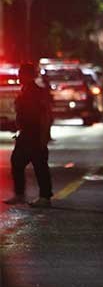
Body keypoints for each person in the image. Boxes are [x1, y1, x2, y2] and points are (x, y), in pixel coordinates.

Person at [4, 63, 53, 208]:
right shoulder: (25, 91)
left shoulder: (36, 92)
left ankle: (45, 196)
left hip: (35, 133)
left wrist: (44, 135)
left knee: (40, 165)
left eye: (22, 74)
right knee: (17, 162)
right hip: (25, 134)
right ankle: (20, 194)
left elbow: (44, 114)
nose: (19, 76)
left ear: (30, 75)